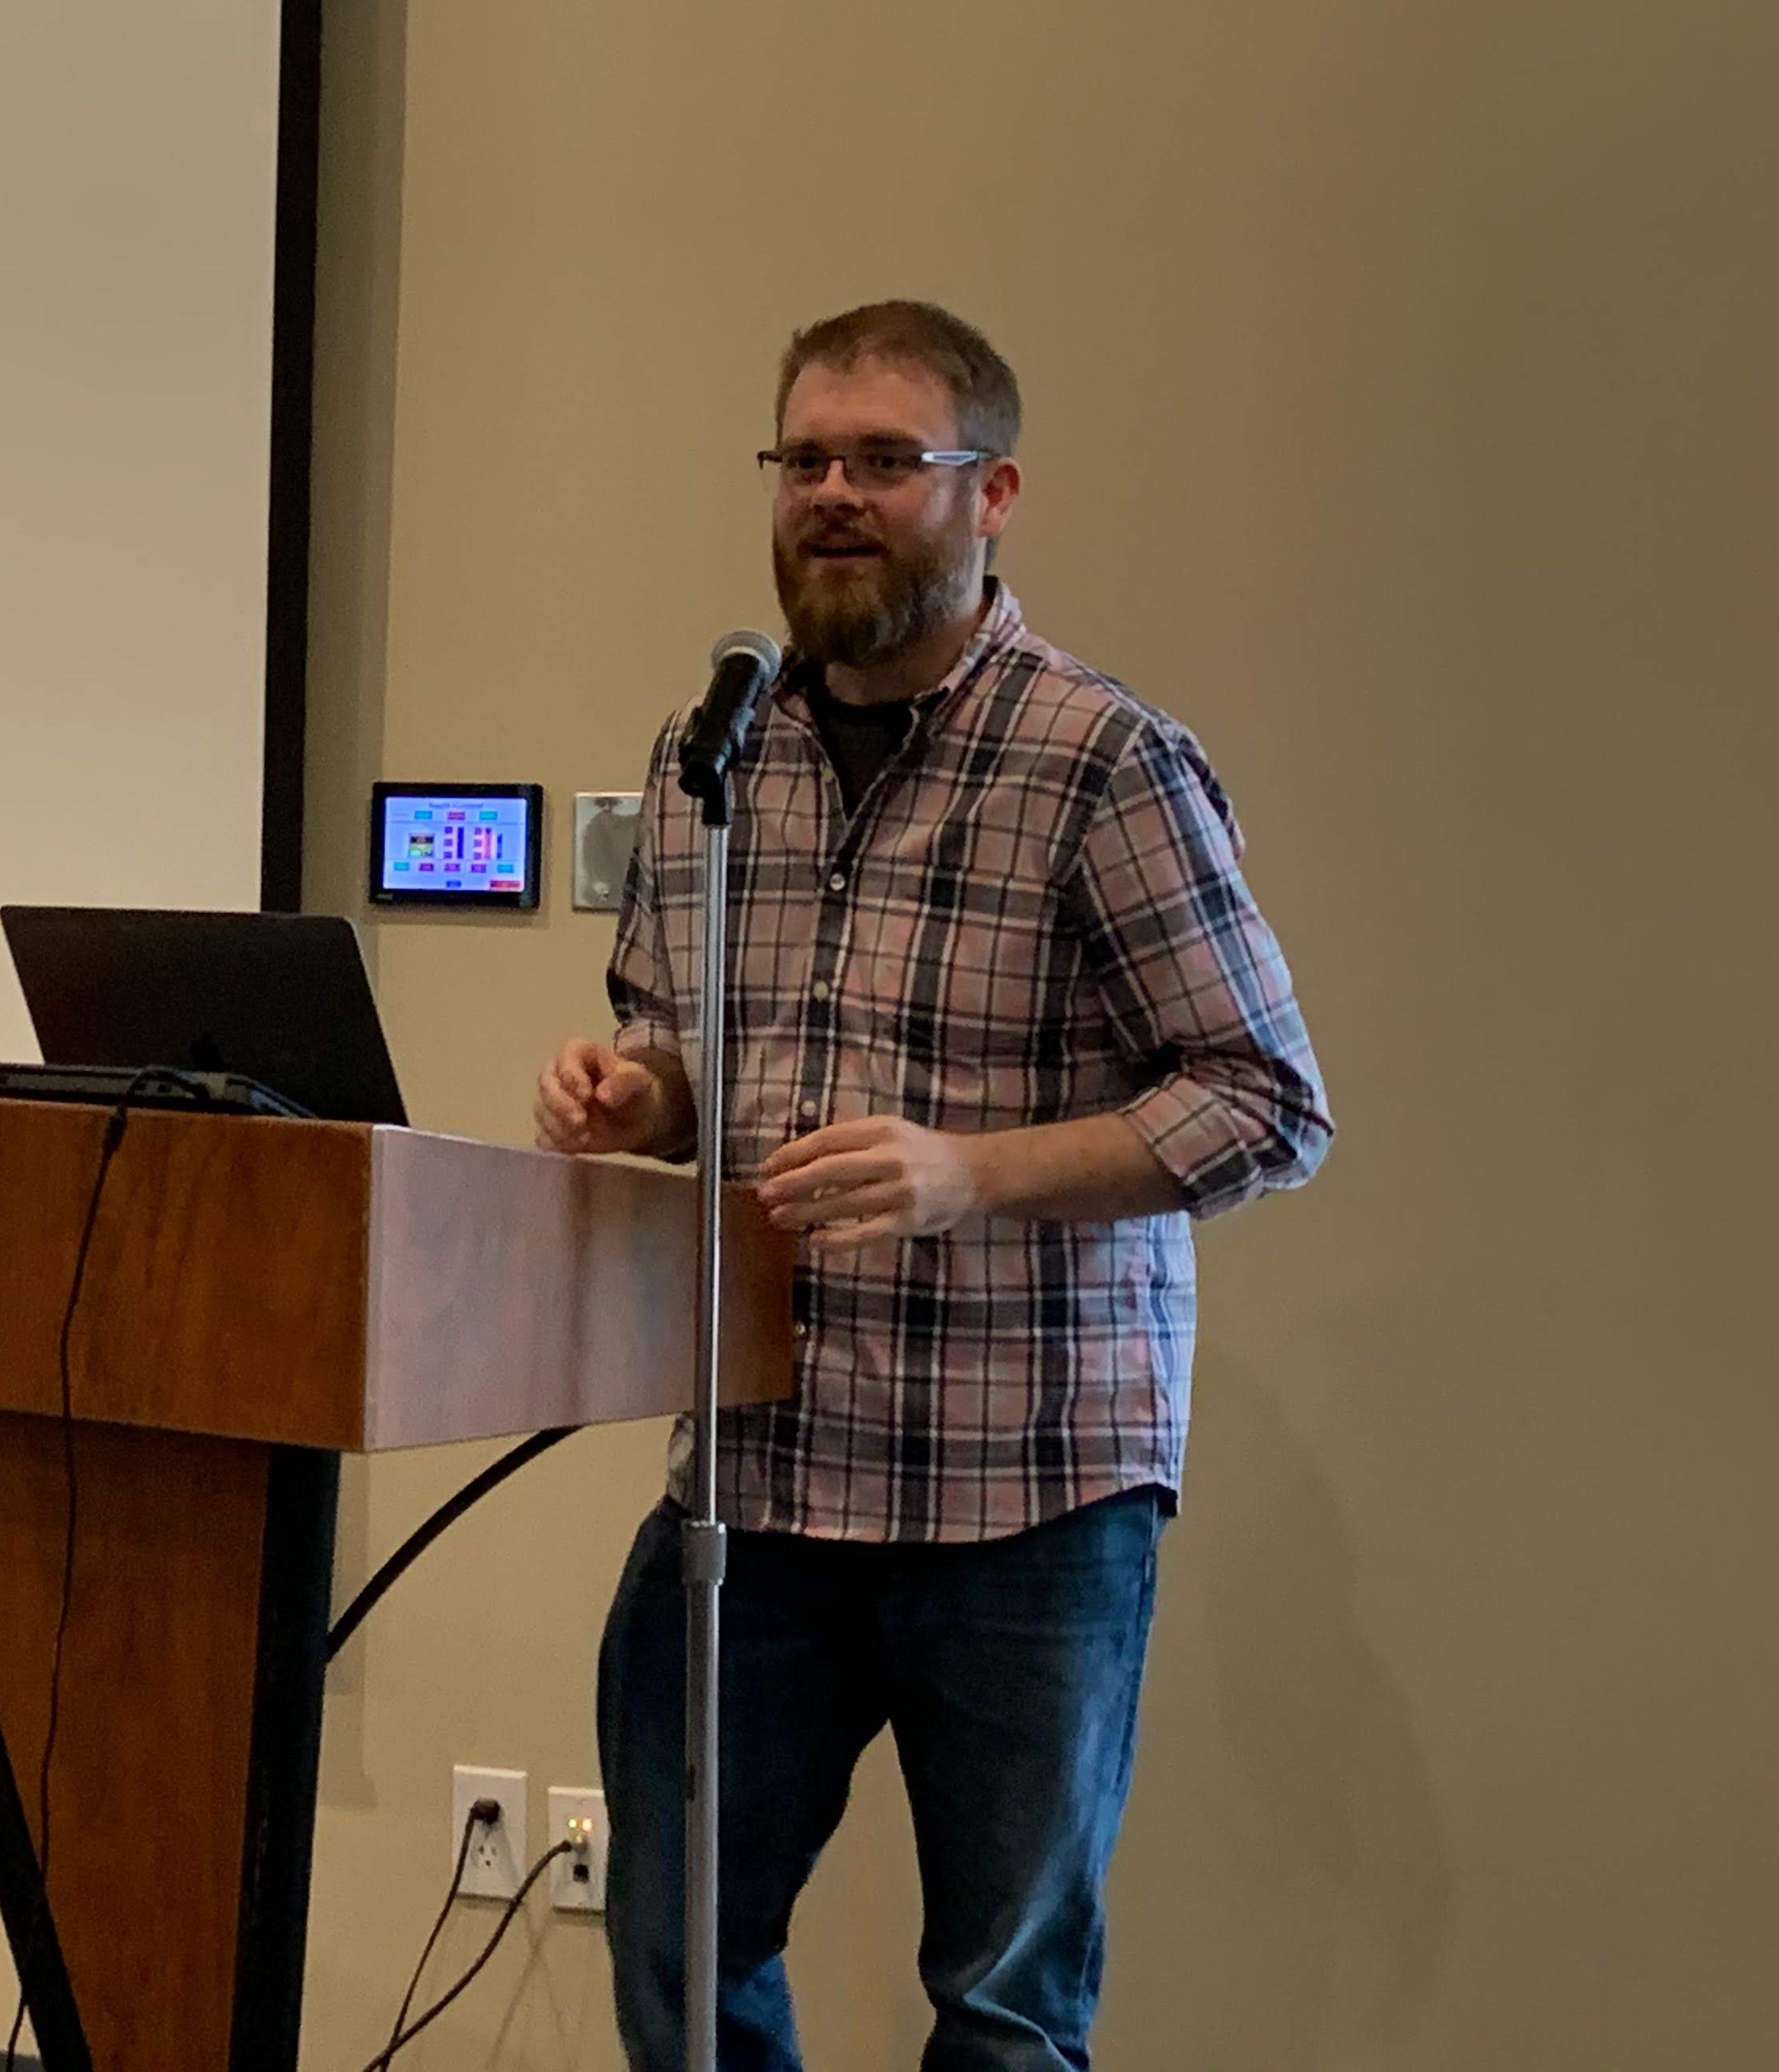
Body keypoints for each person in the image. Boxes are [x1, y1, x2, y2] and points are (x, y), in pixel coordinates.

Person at [533, 301, 1332, 2071]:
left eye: (888, 459)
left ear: (994, 495)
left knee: (1002, 2006)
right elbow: (682, 1047)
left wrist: (970, 1173)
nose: (836, 493)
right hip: (761, 1476)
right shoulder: (711, 756)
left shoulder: (1105, 759)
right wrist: (636, 1092)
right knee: (677, 1945)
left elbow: (1268, 1103)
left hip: (1027, 1499)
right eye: (806, 458)